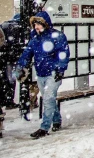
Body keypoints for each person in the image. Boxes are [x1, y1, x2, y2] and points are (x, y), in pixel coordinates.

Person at [13, 11, 69, 139]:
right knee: (49, 99)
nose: (36, 27)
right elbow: (27, 54)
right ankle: (56, 120)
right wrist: (20, 67)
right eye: (34, 25)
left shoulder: (57, 36)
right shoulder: (35, 39)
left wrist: (60, 69)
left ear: (45, 24)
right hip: (41, 74)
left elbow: (63, 53)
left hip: (53, 73)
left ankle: (44, 127)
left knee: (48, 98)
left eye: (38, 24)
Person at [0, 14, 23, 109]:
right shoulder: (20, 26)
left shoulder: (4, 25)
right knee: (12, 79)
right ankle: (9, 101)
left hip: (4, 57)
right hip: (13, 57)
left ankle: (4, 100)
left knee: (5, 79)